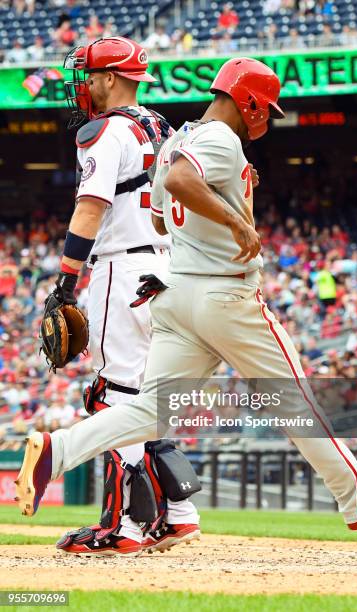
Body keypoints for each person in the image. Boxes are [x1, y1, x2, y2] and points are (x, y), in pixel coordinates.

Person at [16, 57, 357, 533]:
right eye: (267, 107)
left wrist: (228, 195)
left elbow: (160, 214)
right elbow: (181, 182)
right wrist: (236, 218)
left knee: (147, 413)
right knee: (295, 398)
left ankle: (57, 453)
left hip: (178, 297)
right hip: (226, 298)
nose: (269, 116)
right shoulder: (219, 137)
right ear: (251, 101)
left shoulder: (180, 138)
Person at [23, 36, 200, 556]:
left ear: (111, 78)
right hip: (166, 267)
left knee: (113, 397)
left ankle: (122, 527)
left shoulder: (105, 131)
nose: (82, 84)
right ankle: (179, 515)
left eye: (89, 75)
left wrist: (66, 281)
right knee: (145, 399)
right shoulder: (162, 126)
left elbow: (90, 209)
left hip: (123, 268)